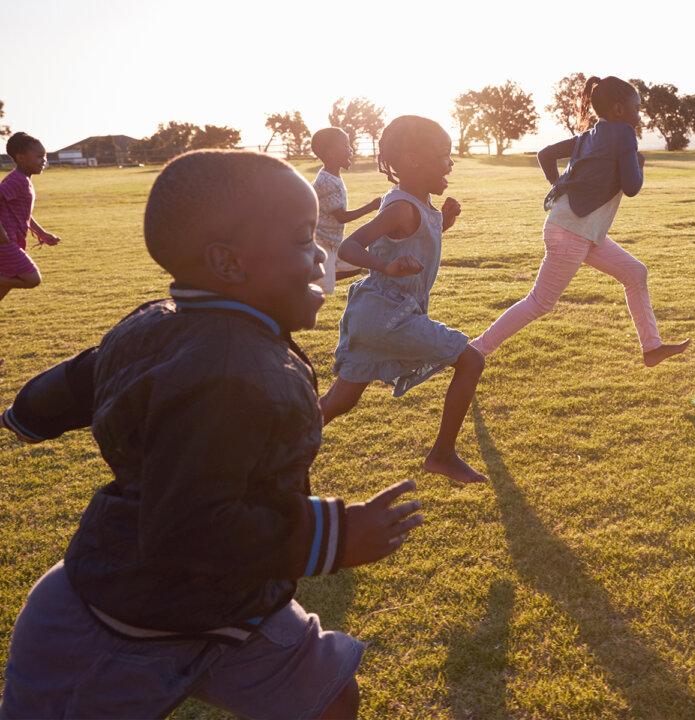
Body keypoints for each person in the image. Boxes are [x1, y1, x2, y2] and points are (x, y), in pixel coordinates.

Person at [0, 150, 423, 718]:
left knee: (327, 694)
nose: (319, 252)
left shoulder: (163, 324)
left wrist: (29, 414)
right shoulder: (228, 372)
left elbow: (86, 376)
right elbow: (189, 528)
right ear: (228, 264)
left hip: (237, 602)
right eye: (302, 239)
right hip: (122, 621)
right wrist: (333, 535)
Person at [470, 75, 690, 367]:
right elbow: (633, 186)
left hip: (578, 229)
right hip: (572, 232)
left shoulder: (590, 136)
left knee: (635, 274)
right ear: (618, 110)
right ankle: (475, 351)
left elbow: (545, 154)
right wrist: (639, 164)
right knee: (540, 302)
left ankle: (652, 348)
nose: (639, 115)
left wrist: (559, 185)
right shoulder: (624, 135)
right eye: (636, 108)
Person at [319, 116, 488, 485]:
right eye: (443, 155)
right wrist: (385, 266)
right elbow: (350, 246)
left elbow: (414, 240)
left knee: (338, 402)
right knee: (471, 360)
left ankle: (278, 448)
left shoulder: (419, 204)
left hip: (376, 316)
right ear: (412, 160)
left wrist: (443, 222)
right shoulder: (400, 207)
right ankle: (442, 455)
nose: (450, 164)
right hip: (387, 316)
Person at [310, 126, 381, 294]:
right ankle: (311, 278)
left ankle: (320, 274)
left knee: (356, 262)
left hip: (333, 242)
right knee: (323, 290)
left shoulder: (333, 176)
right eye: (345, 145)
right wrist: (371, 206)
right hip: (322, 244)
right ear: (330, 153)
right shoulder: (326, 181)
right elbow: (341, 217)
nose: (351, 150)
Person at [0, 132, 61, 305]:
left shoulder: (24, 180)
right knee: (32, 279)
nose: (44, 160)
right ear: (20, 158)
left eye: (45, 156)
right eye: (39, 156)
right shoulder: (17, 180)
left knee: (4, 286)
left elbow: (24, 214)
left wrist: (42, 233)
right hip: (5, 242)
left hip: (13, 239)